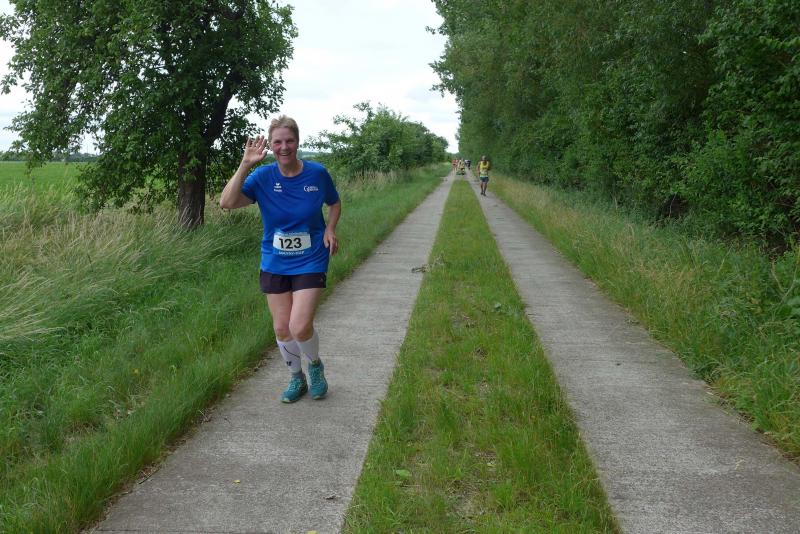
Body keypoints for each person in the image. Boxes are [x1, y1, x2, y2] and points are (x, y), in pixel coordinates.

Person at [219, 116, 341, 403]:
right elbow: (227, 203)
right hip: (275, 260)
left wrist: (330, 228)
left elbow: (334, 203)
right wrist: (245, 165)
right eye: (277, 142)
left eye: (289, 141)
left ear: (297, 142)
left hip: (311, 257)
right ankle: (296, 377)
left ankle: (315, 367)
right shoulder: (262, 177)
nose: (284, 147)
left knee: (299, 326)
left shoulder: (317, 173)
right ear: (270, 146)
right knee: (281, 328)